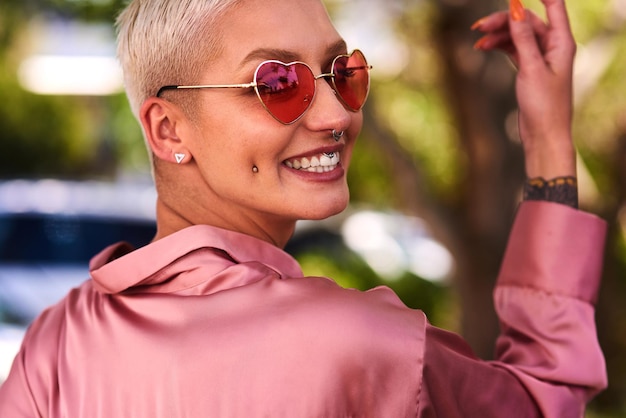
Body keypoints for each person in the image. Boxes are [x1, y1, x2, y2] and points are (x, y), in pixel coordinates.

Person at [0, 0, 607, 416]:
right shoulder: (359, 343)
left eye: (342, 73)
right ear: (167, 130)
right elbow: (544, 401)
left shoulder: (55, 345)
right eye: (278, 83)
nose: (337, 115)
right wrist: (551, 139)